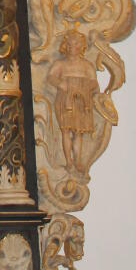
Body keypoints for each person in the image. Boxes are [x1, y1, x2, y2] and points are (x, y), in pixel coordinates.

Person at [47, 30, 99, 176]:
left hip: (81, 101)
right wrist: (61, 83)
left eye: (75, 44)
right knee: (65, 130)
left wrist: (84, 87)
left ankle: (78, 161)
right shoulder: (60, 64)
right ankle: (68, 160)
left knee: (78, 132)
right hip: (64, 99)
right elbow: (51, 77)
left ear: (81, 46)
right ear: (65, 46)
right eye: (69, 44)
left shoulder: (87, 65)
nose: (72, 47)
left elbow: (94, 82)